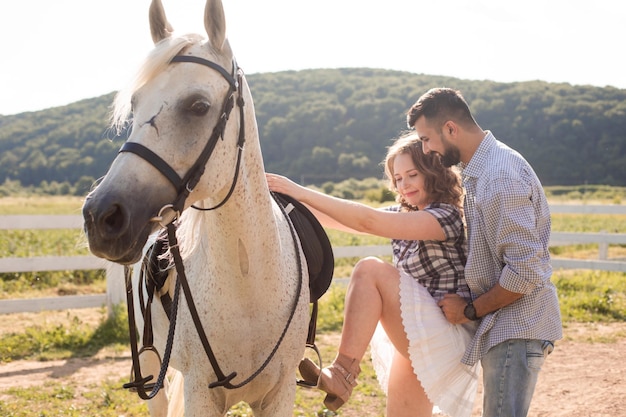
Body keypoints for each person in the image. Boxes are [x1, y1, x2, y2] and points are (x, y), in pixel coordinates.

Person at [266, 134, 479, 417]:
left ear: (435, 173)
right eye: (398, 178)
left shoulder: (446, 217)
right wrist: (286, 201)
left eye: (412, 174)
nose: (404, 185)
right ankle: (341, 377)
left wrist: (300, 191)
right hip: (419, 329)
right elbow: (347, 220)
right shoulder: (406, 214)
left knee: (369, 270)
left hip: (446, 335)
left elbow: (367, 221)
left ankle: (342, 373)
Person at [406, 87, 563, 417]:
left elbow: (525, 270)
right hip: (507, 326)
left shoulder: (498, 176)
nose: (426, 149)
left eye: (426, 139)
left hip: (516, 326)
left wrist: (469, 310)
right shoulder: (482, 170)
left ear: (451, 129)